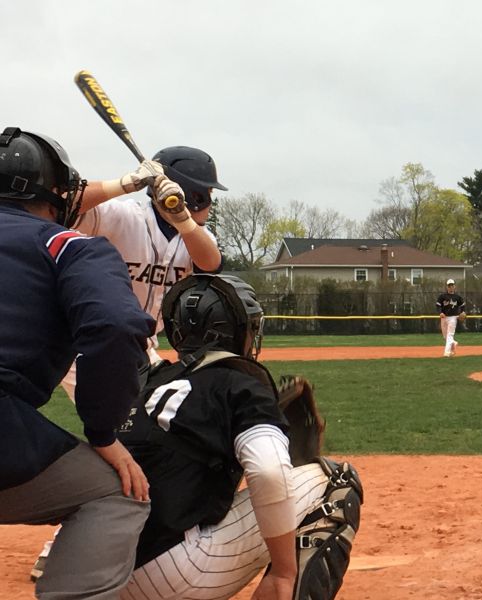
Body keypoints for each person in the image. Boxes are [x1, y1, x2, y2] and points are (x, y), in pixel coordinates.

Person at [116, 274, 363, 600]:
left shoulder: (149, 380)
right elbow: (269, 471)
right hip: (173, 575)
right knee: (339, 481)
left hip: (108, 570)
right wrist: (284, 570)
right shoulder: (241, 384)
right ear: (237, 330)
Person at [0, 126, 156, 598]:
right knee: (116, 491)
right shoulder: (67, 245)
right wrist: (102, 431)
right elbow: (115, 326)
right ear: (58, 196)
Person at [60, 145, 224, 399]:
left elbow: (211, 263)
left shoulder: (195, 236)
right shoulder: (125, 217)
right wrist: (126, 183)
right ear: (195, 194)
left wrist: (182, 219)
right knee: (123, 425)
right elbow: (63, 202)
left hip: (142, 347)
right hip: (86, 345)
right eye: (209, 193)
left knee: (174, 415)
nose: (211, 203)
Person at [437, 278, 466, 357]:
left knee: (450, 335)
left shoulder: (457, 297)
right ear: (447, 287)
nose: (451, 287)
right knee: (445, 337)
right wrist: (440, 312)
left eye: (452, 285)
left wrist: (463, 312)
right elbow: (438, 305)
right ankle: (453, 345)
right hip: (444, 318)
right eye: (449, 285)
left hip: (453, 317)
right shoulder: (442, 296)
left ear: (454, 286)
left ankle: (446, 352)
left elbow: (463, 305)